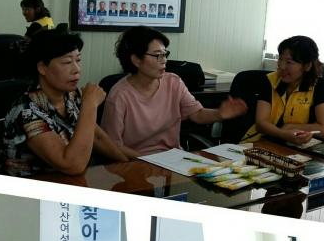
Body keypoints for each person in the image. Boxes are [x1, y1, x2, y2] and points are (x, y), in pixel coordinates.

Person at [101, 26, 247, 157]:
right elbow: (113, 146)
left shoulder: (173, 82)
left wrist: (219, 114)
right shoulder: (119, 96)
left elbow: (197, 114)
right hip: (136, 163)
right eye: (157, 55)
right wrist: (149, 160)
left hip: (173, 160)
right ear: (136, 60)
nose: (164, 60)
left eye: (165, 54)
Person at [1, 29, 127, 177]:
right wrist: (90, 106)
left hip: (71, 181)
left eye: (78, 60)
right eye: (67, 62)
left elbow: (98, 138)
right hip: (34, 186)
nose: (77, 69)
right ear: (42, 67)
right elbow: (72, 165)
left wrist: (127, 165)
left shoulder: (71, 95)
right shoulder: (27, 111)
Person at [240, 35, 324, 145]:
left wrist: (290, 127)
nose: (282, 67)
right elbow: (260, 124)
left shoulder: (318, 85)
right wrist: (284, 135)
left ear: (307, 66)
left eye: (289, 62)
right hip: (260, 141)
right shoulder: (269, 81)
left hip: (296, 146)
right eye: (280, 59)